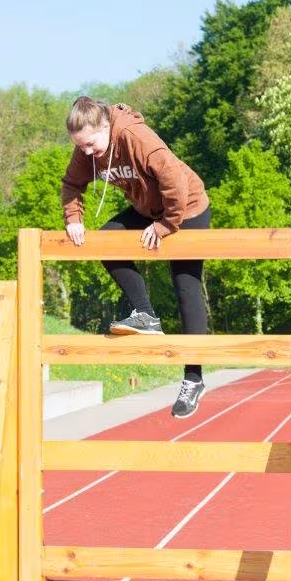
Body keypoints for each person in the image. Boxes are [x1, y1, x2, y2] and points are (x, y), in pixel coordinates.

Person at [61, 96, 210, 419]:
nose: (87, 153)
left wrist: (167, 224)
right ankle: (145, 314)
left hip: (188, 208)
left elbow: (173, 176)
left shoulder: (134, 136)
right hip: (149, 208)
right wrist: (74, 218)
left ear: (105, 127)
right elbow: (72, 183)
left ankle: (194, 377)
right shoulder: (87, 148)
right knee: (106, 242)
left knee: (185, 286)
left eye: (90, 144)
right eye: (80, 147)